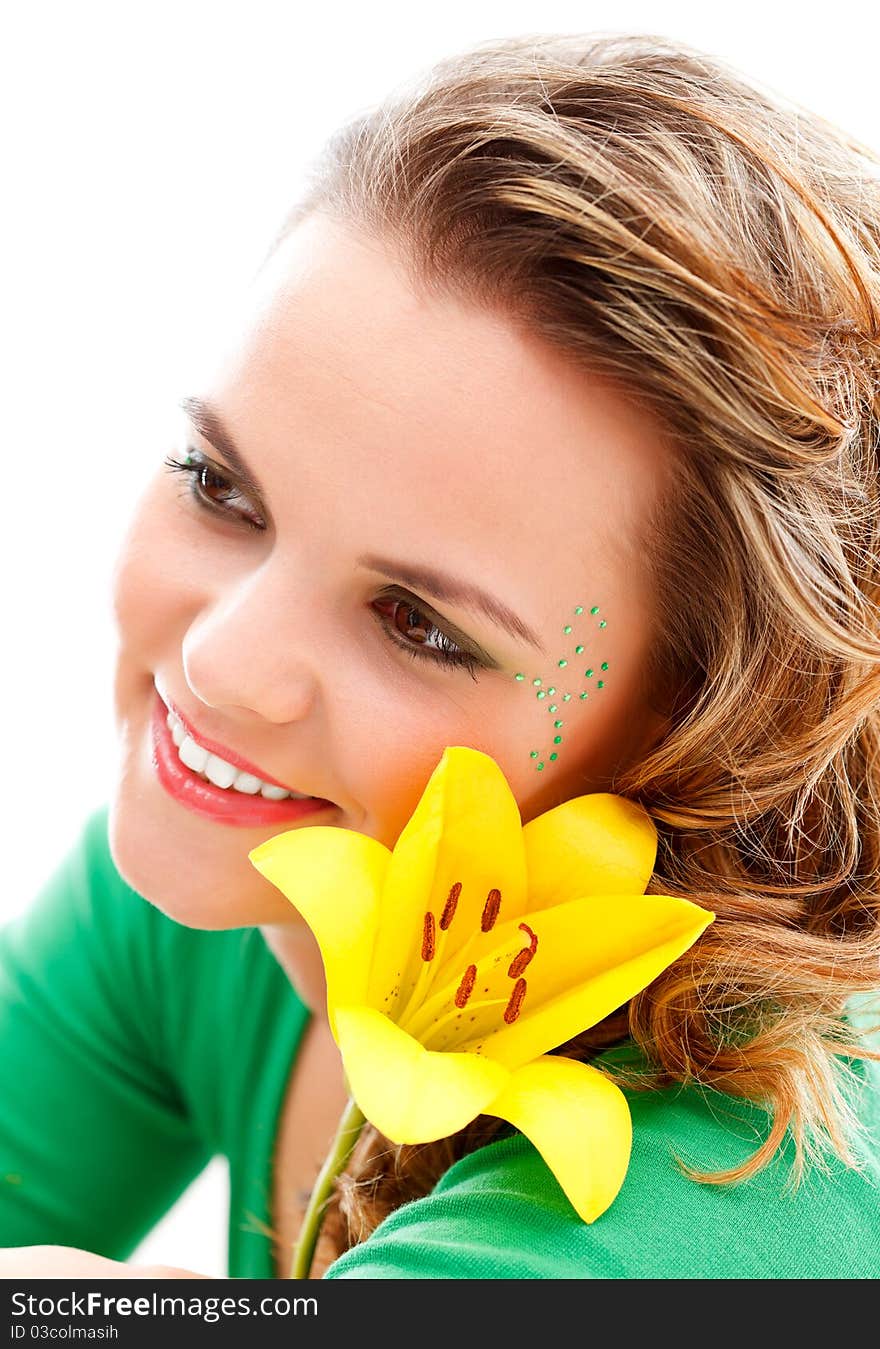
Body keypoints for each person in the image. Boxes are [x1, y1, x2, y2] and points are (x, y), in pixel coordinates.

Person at [1, 30, 878, 1280]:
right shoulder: (258, 871)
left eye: (419, 623)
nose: (220, 666)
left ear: (716, 739)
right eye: (221, 485)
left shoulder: (725, 1191)